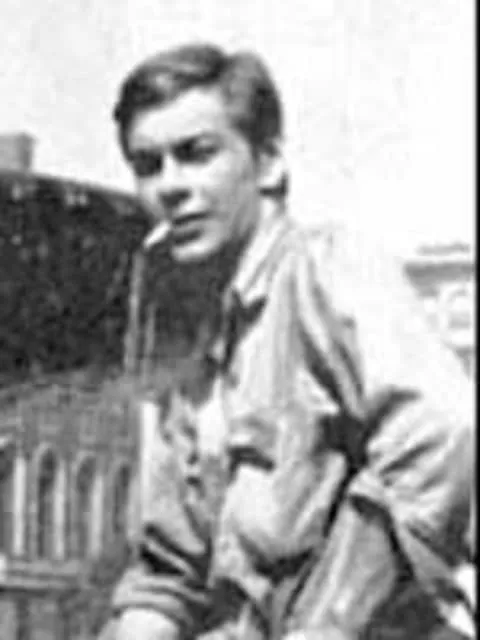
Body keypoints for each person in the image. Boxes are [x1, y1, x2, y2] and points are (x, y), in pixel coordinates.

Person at [100, 43, 475, 639]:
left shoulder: (329, 272)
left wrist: (330, 623)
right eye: (148, 166)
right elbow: (170, 571)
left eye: (197, 154)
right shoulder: (197, 342)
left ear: (270, 162)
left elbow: (443, 434)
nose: (170, 186)